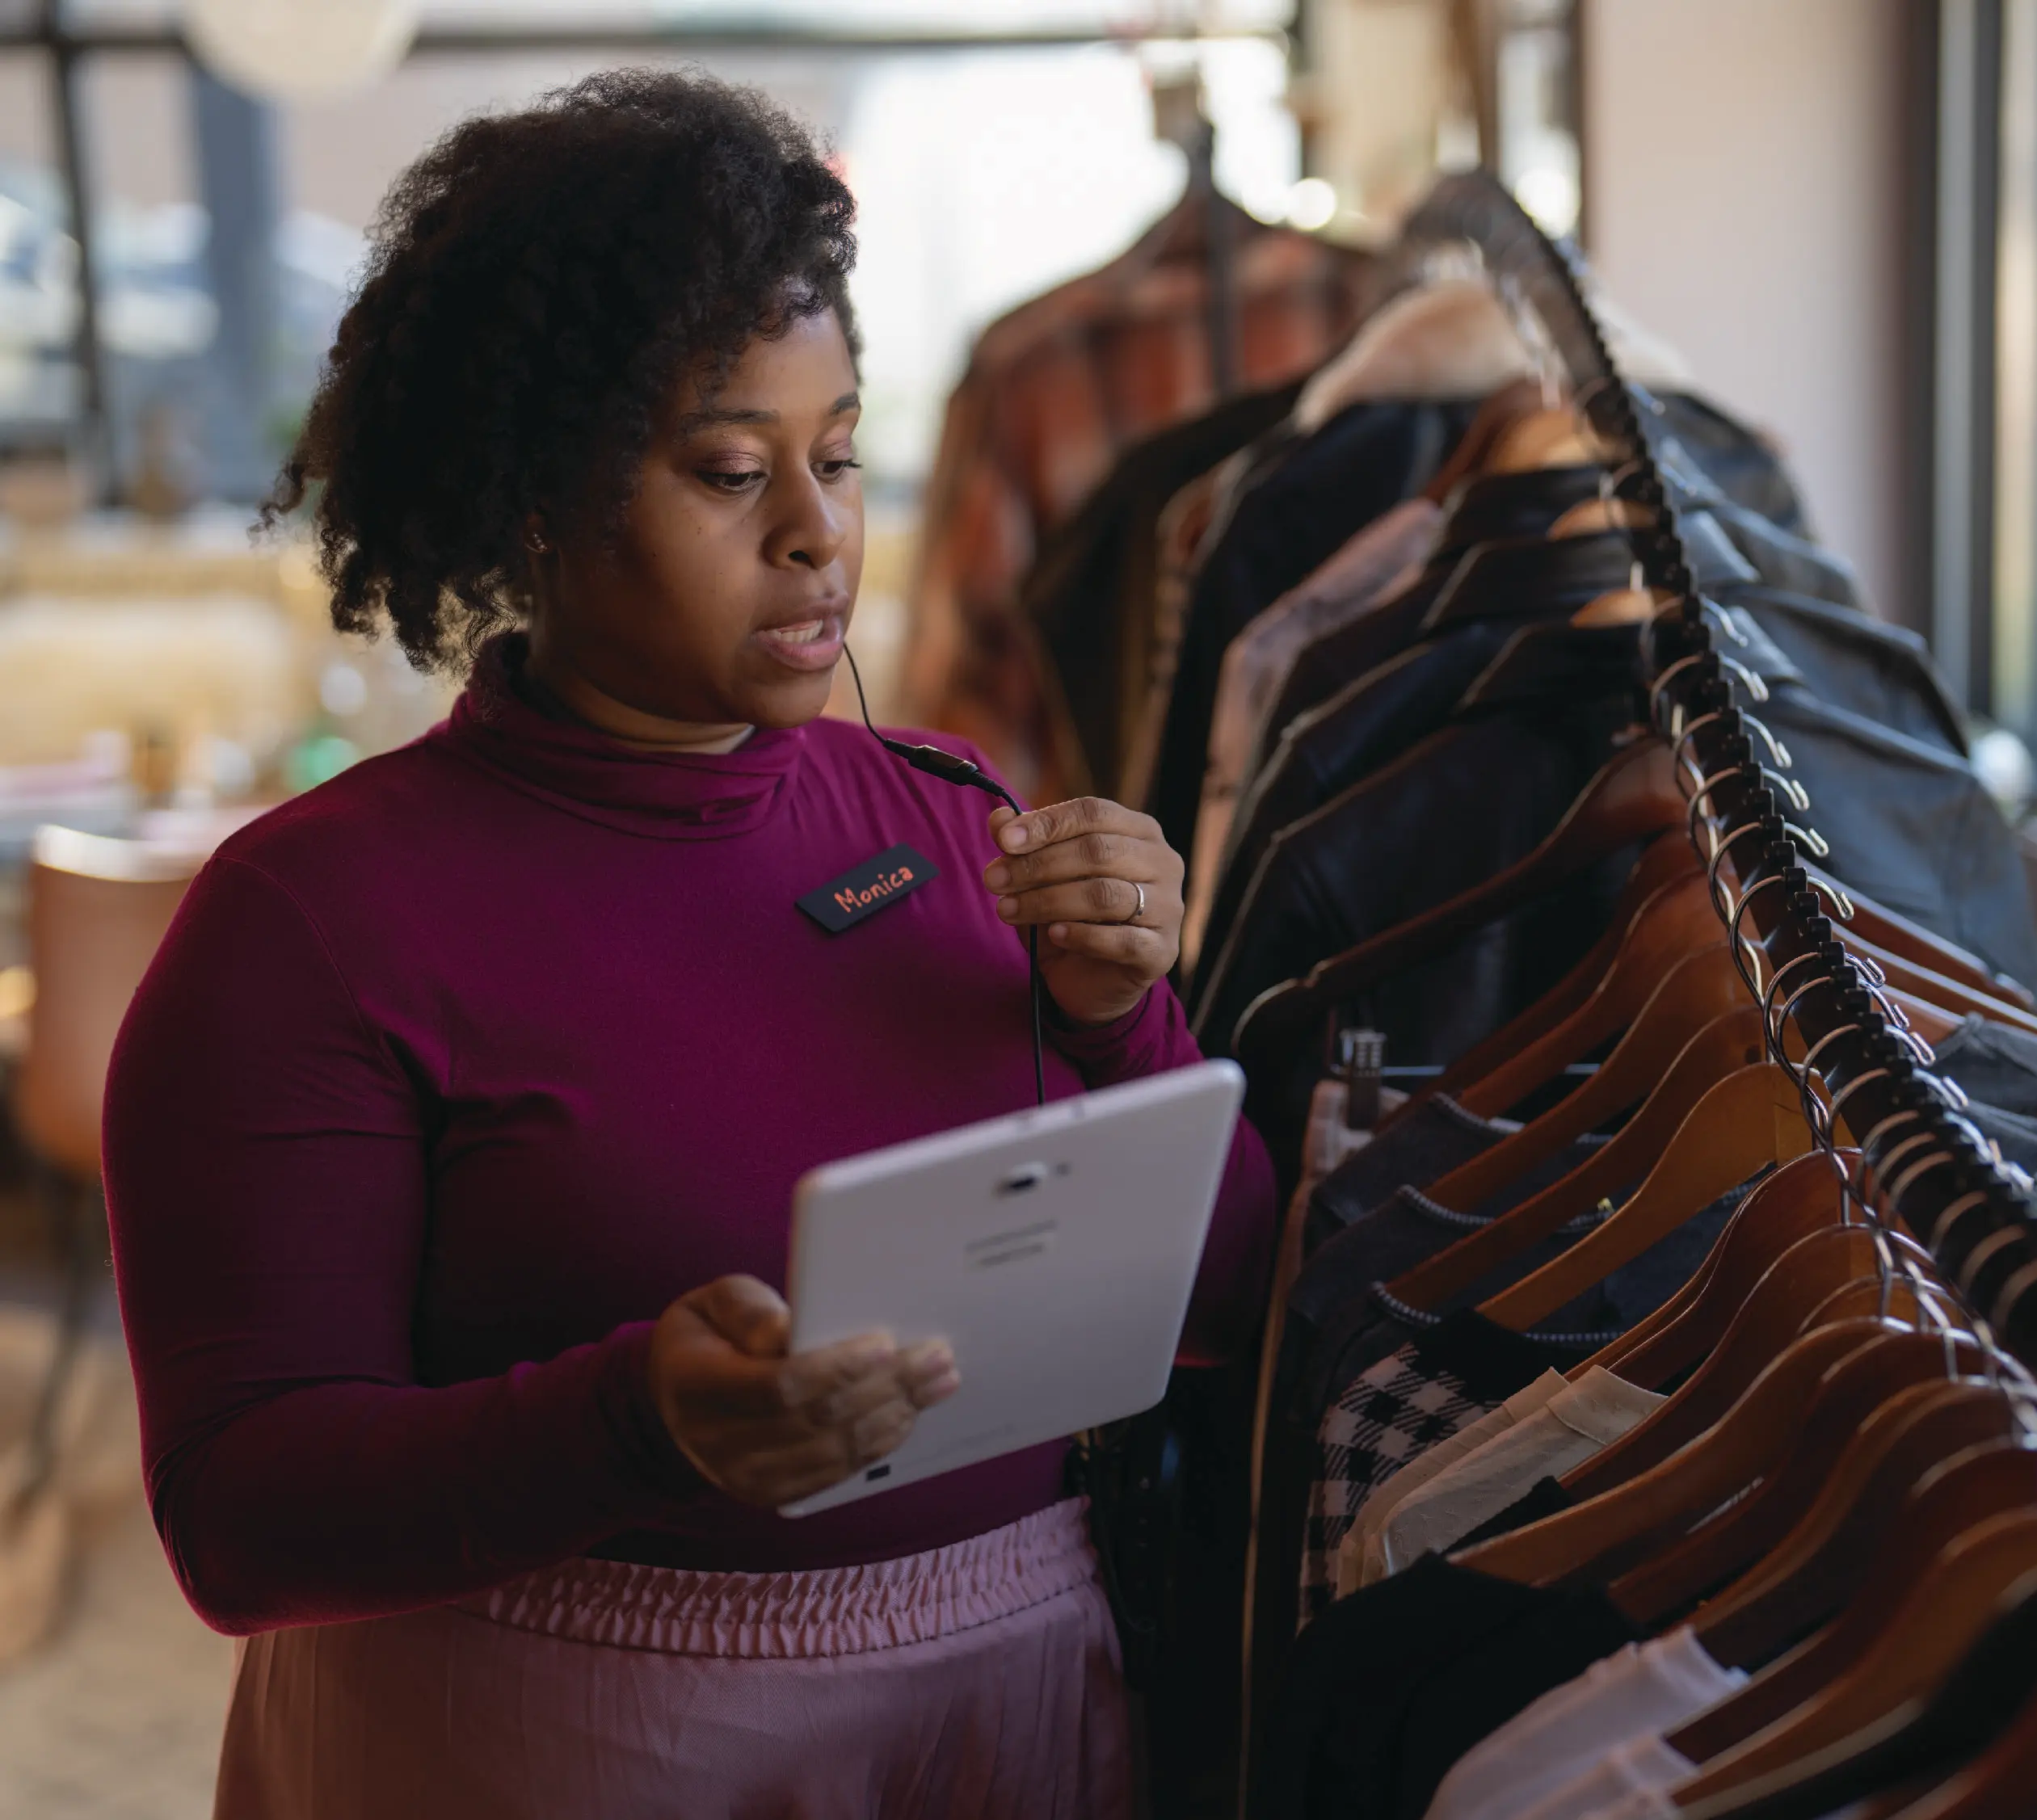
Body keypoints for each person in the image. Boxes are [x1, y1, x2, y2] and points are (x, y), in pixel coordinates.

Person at [102, 72, 1275, 1820]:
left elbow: (1237, 1295)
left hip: (1019, 1712)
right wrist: (634, 1426)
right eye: (731, 469)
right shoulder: (311, 923)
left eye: (841, 450)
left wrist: (1124, 1025)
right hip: (553, 1745)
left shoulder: (963, 821)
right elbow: (239, 1515)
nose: (816, 530)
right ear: (532, 505)